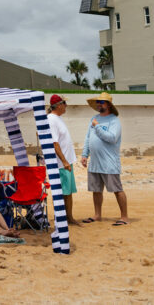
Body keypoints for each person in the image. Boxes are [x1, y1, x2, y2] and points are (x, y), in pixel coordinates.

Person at [79, 91, 128, 226]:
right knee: (96, 190)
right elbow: (88, 138)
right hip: (94, 162)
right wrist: (84, 154)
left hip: (109, 163)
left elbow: (112, 138)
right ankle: (97, 215)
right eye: (98, 102)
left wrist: (98, 126)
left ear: (109, 105)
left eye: (101, 102)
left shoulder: (114, 121)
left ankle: (124, 217)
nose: (98, 105)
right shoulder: (94, 118)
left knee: (117, 189)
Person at [46, 94, 78, 224]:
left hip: (67, 162)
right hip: (60, 164)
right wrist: (64, 161)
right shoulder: (51, 119)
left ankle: (69, 217)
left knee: (68, 192)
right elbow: (55, 143)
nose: (66, 106)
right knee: (62, 193)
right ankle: (62, 218)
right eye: (64, 103)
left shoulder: (57, 118)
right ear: (59, 105)